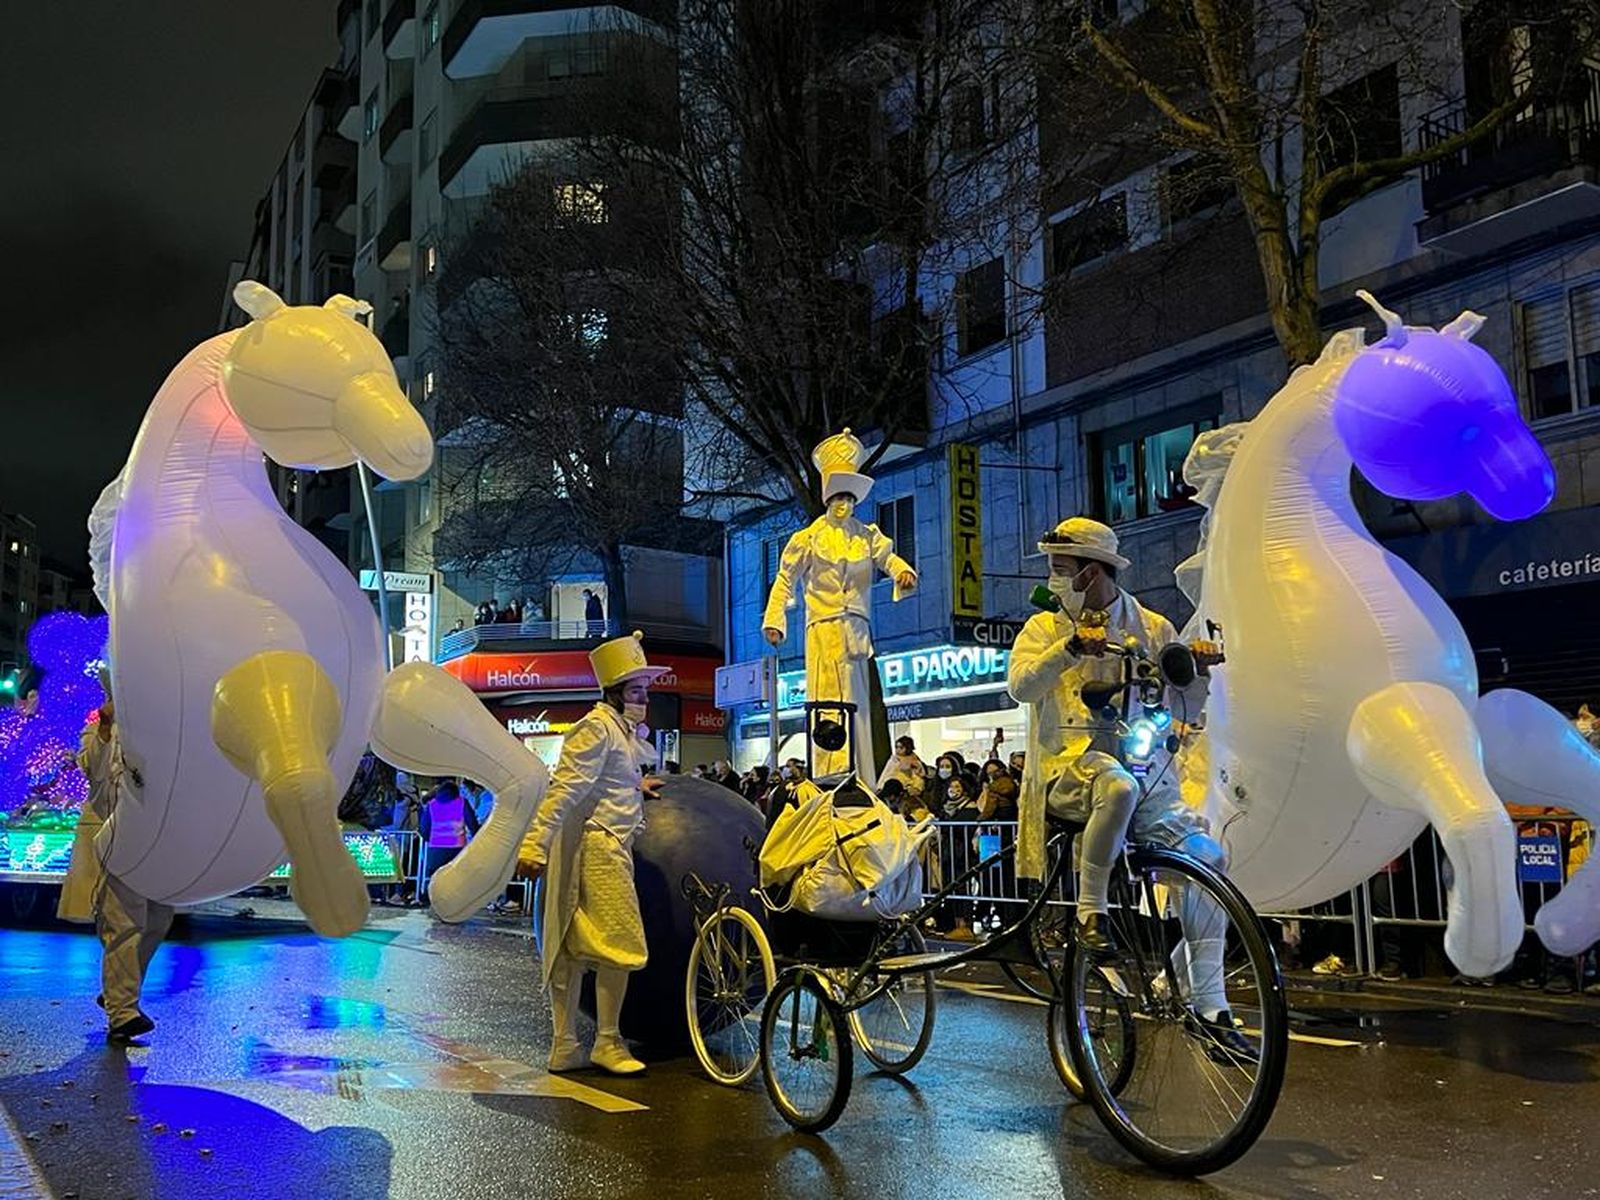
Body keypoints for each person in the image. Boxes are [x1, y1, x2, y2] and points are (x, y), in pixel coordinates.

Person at [1008, 517, 1251, 1057]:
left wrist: (1199, 671)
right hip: (1069, 770)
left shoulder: (1152, 626)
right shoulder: (1044, 628)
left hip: (1145, 775)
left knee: (1208, 857)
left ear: (1092, 572)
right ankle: (1090, 912)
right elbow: (1021, 686)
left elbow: (1186, 705)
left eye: (1061, 569)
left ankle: (1209, 1005)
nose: (1053, 579)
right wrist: (1070, 648)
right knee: (1113, 787)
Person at [516, 632, 667, 1075]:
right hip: (597, 846)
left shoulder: (621, 733)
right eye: (636, 691)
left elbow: (605, 780)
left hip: (609, 842)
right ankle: (605, 1042)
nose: (644, 698)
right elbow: (565, 789)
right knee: (616, 942)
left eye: (645, 690)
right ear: (614, 693)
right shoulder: (595, 728)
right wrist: (534, 844)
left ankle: (569, 1046)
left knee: (577, 944)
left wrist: (635, 786)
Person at [763, 430, 917, 780]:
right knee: (829, 700)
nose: (844, 503)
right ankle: (831, 774)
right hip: (823, 628)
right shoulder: (807, 539)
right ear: (827, 497)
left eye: (849, 495)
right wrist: (776, 620)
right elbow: (785, 578)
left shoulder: (867, 536)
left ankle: (861, 777)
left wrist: (902, 572)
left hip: (857, 631)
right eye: (838, 495)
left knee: (859, 705)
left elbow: (888, 558)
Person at [73, 690, 173, 1043]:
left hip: (156, 837)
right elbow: (93, 772)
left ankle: (118, 992)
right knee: (124, 921)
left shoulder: (162, 720)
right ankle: (122, 1012)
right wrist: (105, 725)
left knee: (159, 918)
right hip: (117, 835)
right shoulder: (101, 724)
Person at [418, 780, 481, 904]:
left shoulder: (432, 805)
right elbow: (472, 823)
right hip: (457, 847)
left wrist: (429, 840)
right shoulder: (462, 803)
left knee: (435, 875)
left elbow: (424, 827)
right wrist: (476, 837)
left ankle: (431, 898)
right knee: (455, 876)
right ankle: (453, 902)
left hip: (436, 847)